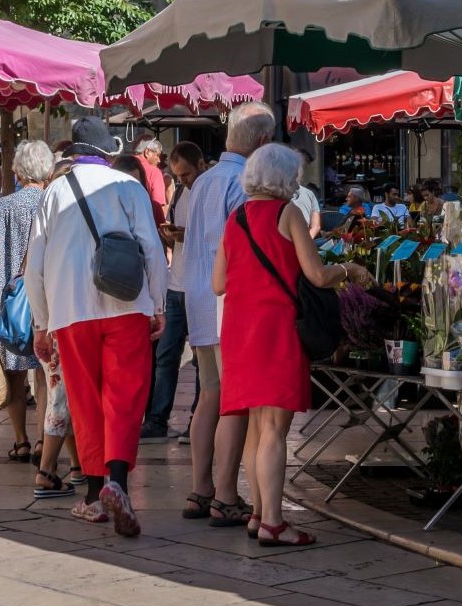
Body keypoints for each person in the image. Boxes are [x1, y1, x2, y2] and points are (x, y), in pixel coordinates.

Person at [217, 141, 372, 546]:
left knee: (255, 426)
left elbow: (218, 283)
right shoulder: (289, 214)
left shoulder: (235, 218)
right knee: (274, 429)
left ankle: (256, 513)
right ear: (286, 178)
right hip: (275, 328)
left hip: (238, 329)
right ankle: (272, 521)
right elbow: (318, 276)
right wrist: (350, 269)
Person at [22, 118, 167, 538]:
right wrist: (157, 304)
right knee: (124, 398)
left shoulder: (51, 194)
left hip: (70, 312)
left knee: (84, 401)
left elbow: (35, 266)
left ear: (72, 154)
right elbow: (152, 249)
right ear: (107, 151)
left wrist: (41, 324)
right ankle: (117, 482)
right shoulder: (128, 187)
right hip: (127, 305)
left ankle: (91, 495)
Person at [179, 103, 261, 527]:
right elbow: (240, 249)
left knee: (210, 393)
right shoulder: (241, 182)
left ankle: (200, 488)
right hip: (225, 300)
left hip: (197, 297)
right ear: (262, 143)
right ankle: (226, 495)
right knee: (233, 399)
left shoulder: (205, 180)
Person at [0, 139, 62, 492]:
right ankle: (45, 441)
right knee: (44, 374)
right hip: (46, 299)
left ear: (17, 171)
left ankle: (21, 439)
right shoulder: (55, 201)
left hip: (13, 303)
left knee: (14, 373)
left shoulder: (4, 205)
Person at [143, 141, 205, 439]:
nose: (183, 180)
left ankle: (198, 419)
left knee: (202, 359)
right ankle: (157, 418)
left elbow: (216, 238)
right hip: (176, 285)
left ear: (201, 165)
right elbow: (180, 244)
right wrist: (169, 236)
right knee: (166, 355)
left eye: (187, 175)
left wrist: (185, 236)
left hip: (200, 286)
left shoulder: (208, 192)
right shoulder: (179, 193)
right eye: (179, 176)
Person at [292, 147, 323, 239]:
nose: (298, 171)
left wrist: (304, 241)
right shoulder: (277, 193)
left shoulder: (309, 194)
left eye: (301, 167)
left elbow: (316, 226)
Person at [133, 137, 170, 216]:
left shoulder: (119, 167)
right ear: (147, 152)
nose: (159, 160)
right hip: (145, 223)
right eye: (157, 155)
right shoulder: (154, 172)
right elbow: (158, 207)